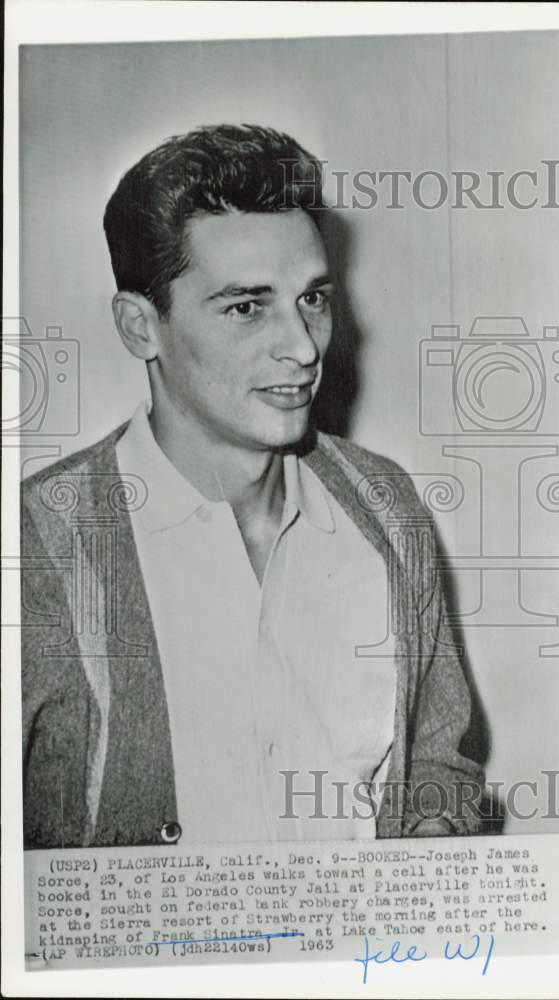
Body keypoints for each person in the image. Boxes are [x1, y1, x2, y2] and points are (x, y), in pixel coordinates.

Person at [21, 124, 483, 849]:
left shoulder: (386, 508)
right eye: (247, 307)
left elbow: (439, 760)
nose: (302, 348)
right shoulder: (36, 546)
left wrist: (429, 826)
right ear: (141, 327)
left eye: (313, 299)